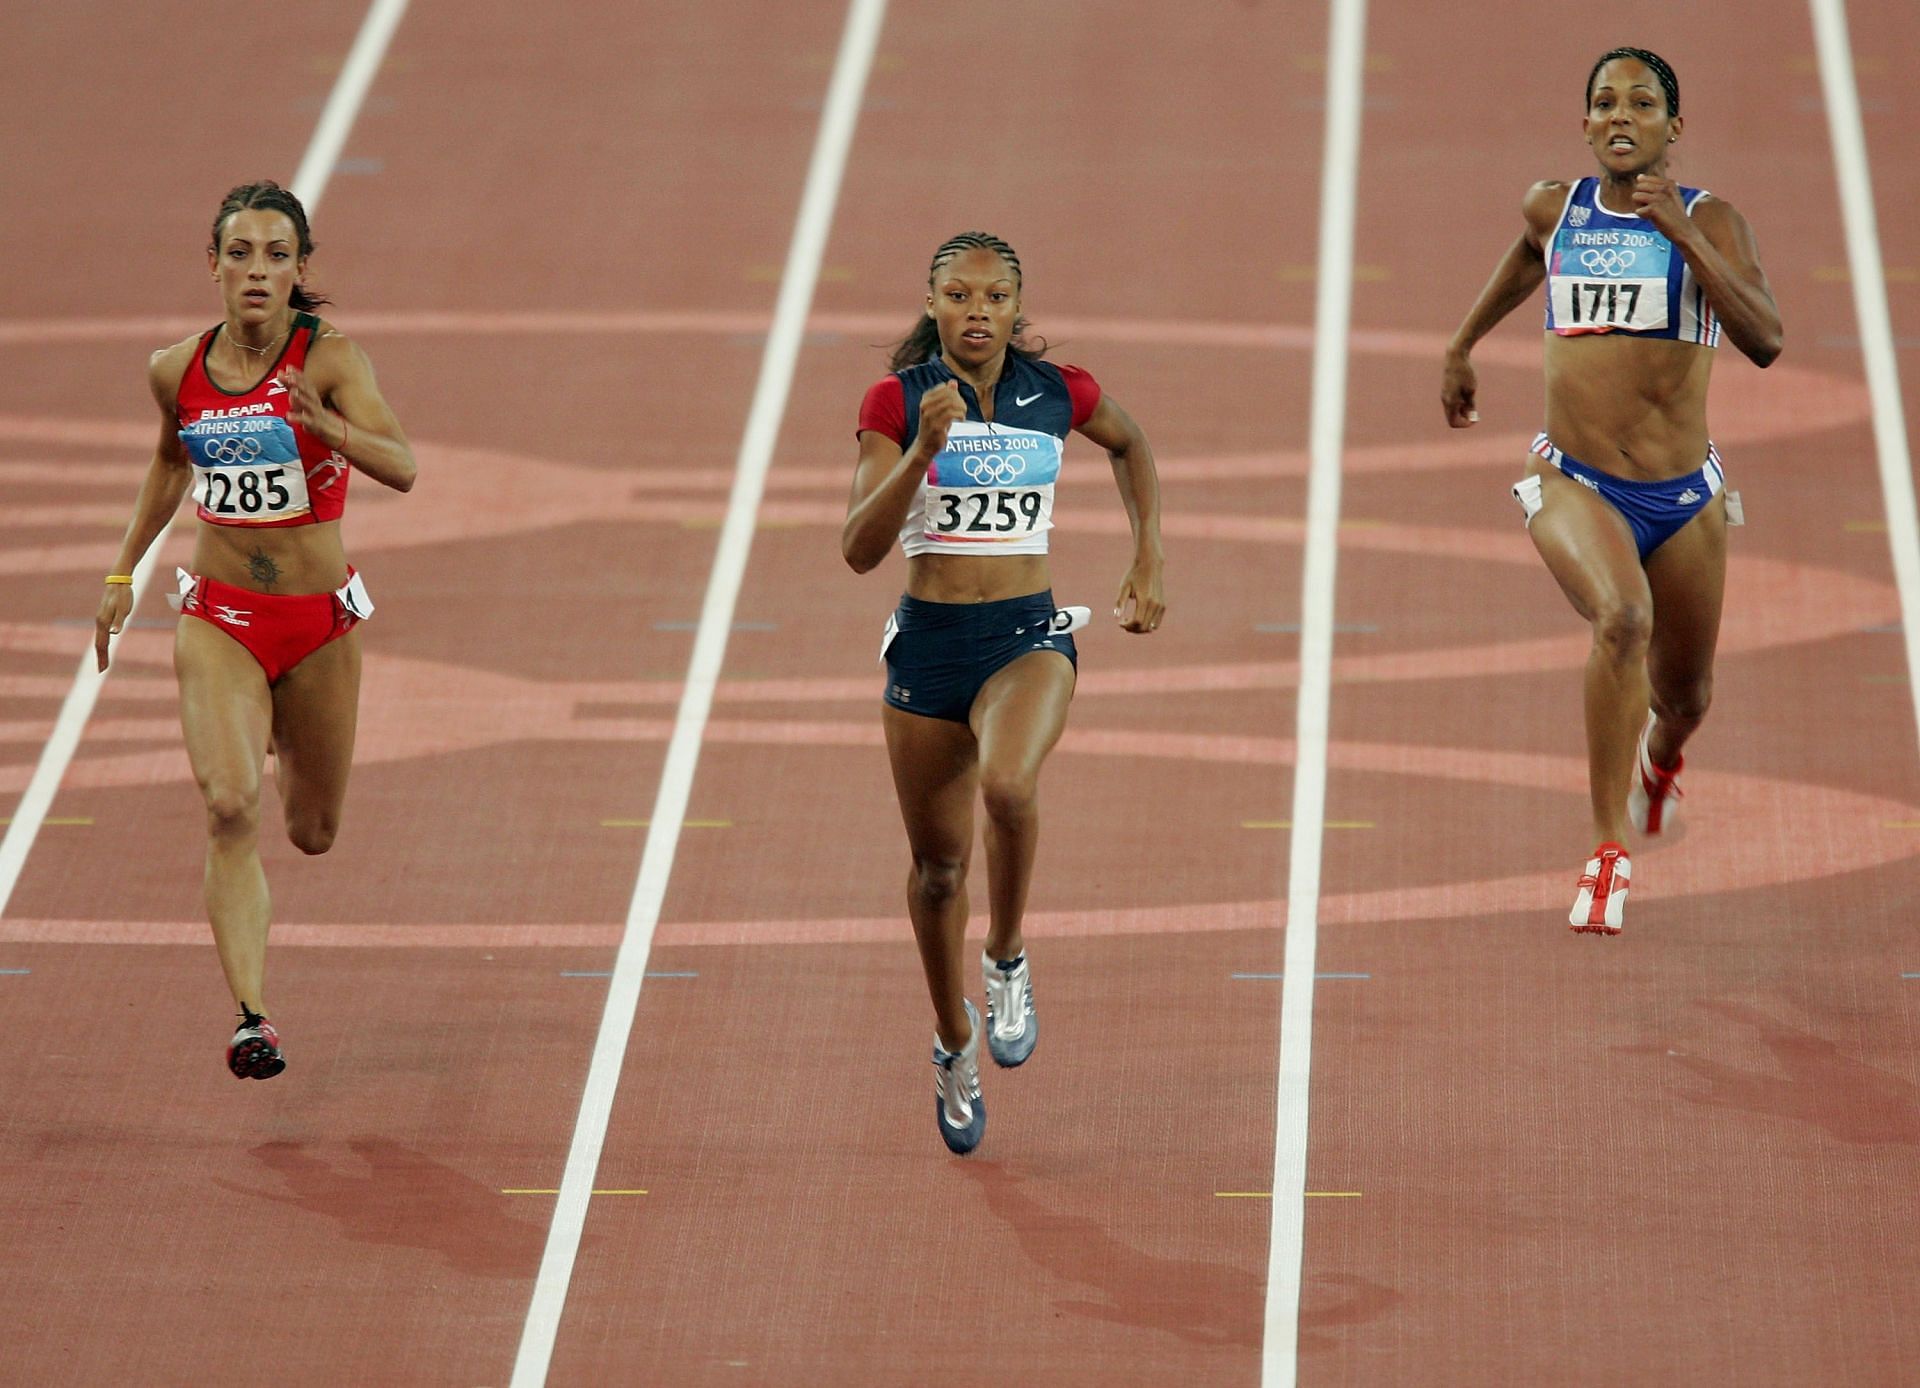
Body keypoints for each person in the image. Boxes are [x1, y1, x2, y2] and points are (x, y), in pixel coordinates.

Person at [1441, 49, 1781, 935]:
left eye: (1641, 102)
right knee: (1622, 620)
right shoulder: (1557, 207)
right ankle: (1605, 848)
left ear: (1675, 127)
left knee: (1687, 699)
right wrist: (1462, 346)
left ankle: (1661, 763)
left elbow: (1766, 338)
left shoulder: (1715, 220)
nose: (1620, 114)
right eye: (1603, 102)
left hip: (1684, 497)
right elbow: (1526, 256)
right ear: (1586, 125)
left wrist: (1687, 239)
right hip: (1573, 477)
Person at [843, 231, 1165, 1152]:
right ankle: (952, 1043)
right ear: (932, 304)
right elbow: (859, 549)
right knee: (939, 871)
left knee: (1011, 786)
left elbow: (1132, 446)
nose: (976, 311)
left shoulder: (1058, 392)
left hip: (1026, 635)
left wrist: (1148, 551)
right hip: (929, 650)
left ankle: (1008, 955)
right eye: (958, 294)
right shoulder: (896, 401)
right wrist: (919, 455)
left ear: (1017, 308)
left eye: (994, 296)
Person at [94, 181, 416, 1076]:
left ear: (299, 271)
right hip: (220, 616)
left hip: (317, 622)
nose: (257, 273)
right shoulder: (175, 370)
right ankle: (252, 1017)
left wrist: (330, 428)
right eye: (240, 254)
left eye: (277, 257)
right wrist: (122, 573)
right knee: (229, 804)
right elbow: (168, 465)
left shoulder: (332, 359)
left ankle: (277, 724)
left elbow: (406, 465)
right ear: (214, 265)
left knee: (313, 832)